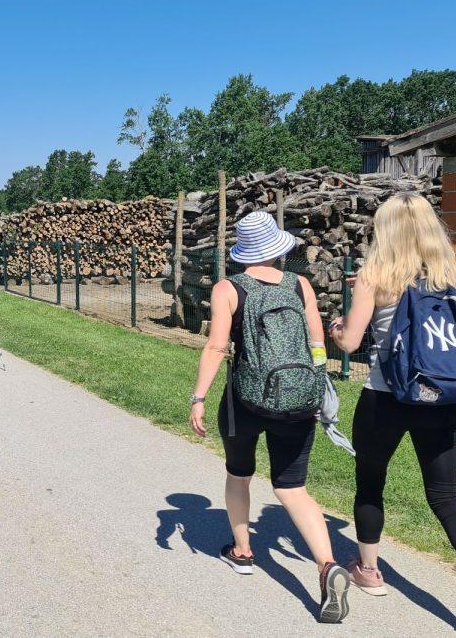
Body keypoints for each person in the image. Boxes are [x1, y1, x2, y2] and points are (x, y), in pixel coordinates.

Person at [329, 193, 456, 637]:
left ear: (385, 230)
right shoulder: (446, 274)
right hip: (441, 398)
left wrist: (337, 326)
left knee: (371, 484)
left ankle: (369, 572)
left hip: (385, 398)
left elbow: (351, 343)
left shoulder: (375, 275)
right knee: (446, 496)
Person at [189, 212, 350, 624]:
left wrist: (199, 397)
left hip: (246, 398)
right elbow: (318, 342)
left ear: (243, 252)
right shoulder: (301, 285)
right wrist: (315, 381)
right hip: (297, 397)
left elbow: (216, 348)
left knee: (240, 474)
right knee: (293, 488)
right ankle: (328, 565)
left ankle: (242, 551)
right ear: (278, 249)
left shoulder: (229, 288)